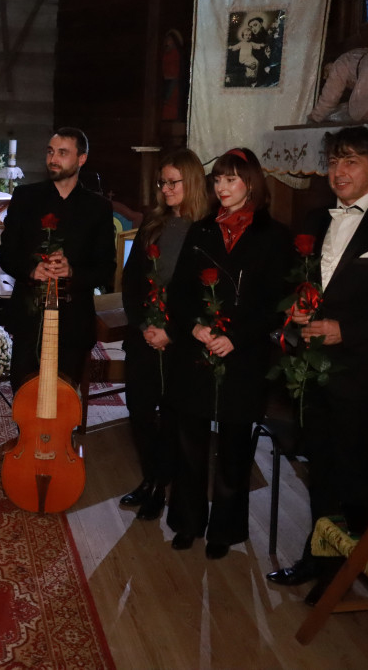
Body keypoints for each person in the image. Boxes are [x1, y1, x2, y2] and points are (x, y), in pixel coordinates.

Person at [266, 127, 368, 600]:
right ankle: (318, 559)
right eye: (334, 161)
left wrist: (348, 329)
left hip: (364, 371)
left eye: (352, 162)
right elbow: (307, 281)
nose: (339, 172)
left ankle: (348, 570)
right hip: (313, 367)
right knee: (319, 467)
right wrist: (298, 309)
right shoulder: (316, 217)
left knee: (353, 473)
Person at [164, 148, 291, 560]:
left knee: (235, 449)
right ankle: (186, 522)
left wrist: (236, 335)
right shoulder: (200, 231)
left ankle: (225, 529)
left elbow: (276, 301)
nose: (221, 187)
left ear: (251, 183)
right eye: (217, 180)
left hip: (244, 355)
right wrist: (194, 327)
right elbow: (179, 292)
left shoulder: (275, 236)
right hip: (196, 351)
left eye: (231, 179)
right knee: (188, 445)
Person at [119, 148, 209, 521]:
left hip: (180, 341)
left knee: (171, 415)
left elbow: (204, 293)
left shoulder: (207, 229)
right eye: (163, 182)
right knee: (139, 410)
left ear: (191, 182)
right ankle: (152, 476)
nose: (167, 189)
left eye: (174, 182)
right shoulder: (154, 224)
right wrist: (144, 325)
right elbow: (131, 282)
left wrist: (171, 332)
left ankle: (159, 485)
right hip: (144, 335)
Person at [0, 127, 115, 394]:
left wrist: (72, 271)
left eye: (63, 153)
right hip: (29, 319)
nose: (53, 159)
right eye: (50, 152)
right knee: (25, 397)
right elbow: (6, 256)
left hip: (73, 321)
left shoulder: (97, 207)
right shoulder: (25, 198)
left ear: (81, 159)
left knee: (63, 402)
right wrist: (31, 270)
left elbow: (105, 269)